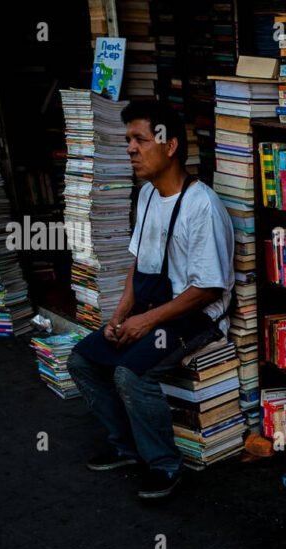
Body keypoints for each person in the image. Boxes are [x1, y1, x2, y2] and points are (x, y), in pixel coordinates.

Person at [67, 100, 234, 501]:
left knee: (131, 374)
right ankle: (126, 446)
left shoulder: (201, 206)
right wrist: (121, 314)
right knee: (82, 360)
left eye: (139, 140)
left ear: (170, 145)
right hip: (153, 308)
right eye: (128, 140)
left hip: (194, 316)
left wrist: (147, 321)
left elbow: (208, 289)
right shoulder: (146, 195)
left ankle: (164, 464)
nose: (130, 149)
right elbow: (139, 262)